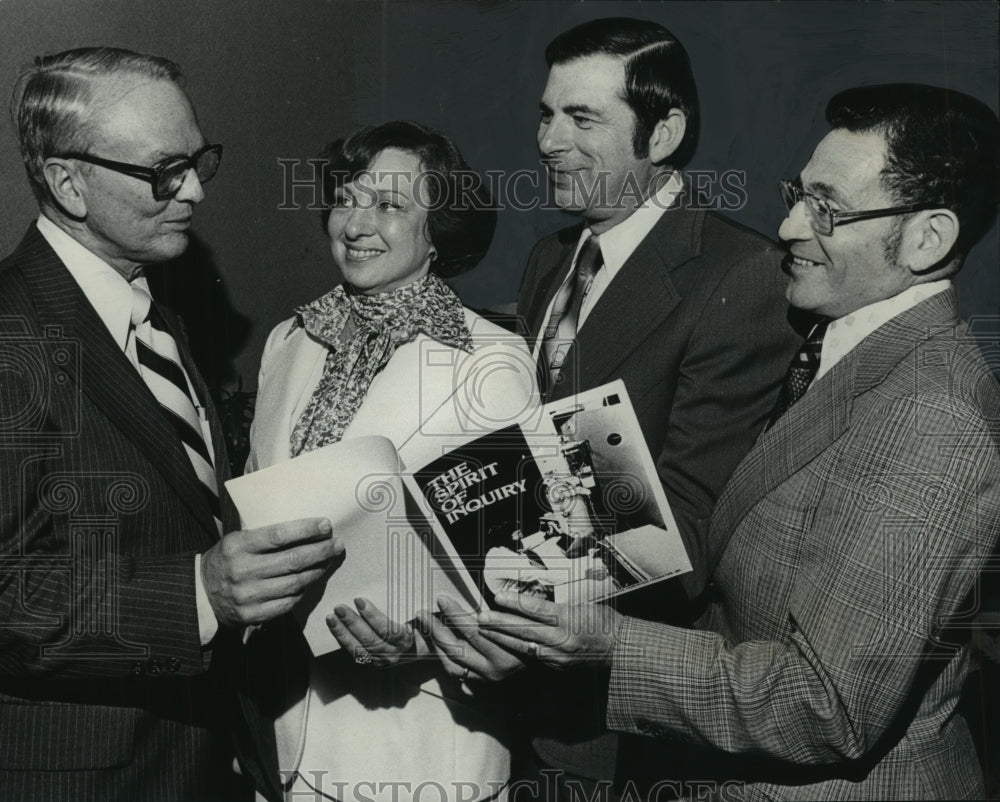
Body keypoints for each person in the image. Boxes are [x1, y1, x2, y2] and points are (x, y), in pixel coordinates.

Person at [475, 83, 1000, 799]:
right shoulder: (838, 348)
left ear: (928, 239)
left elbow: (827, 707)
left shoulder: (932, 414)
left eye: (827, 209)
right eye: (798, 195)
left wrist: (610, 644)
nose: (787, 227)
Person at [423, 16, 802, 796]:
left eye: (582, 118)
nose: (548, 141)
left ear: (664, 134)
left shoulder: (742, 273)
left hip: (615, 721)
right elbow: (531, 454)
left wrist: (508, 603)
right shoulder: (551, 258)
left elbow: (686, 529)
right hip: (514, 690)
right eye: (545, 114)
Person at [0, 47, 341, 801]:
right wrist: (196, 595)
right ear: (68, 183)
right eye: (163, 172)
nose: (194, 191)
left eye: (197, 161)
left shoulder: (155, 312)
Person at [244, 120, 537, 802]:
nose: (356, 224)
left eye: (390, 205)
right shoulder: (289, 340)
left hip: (417, 739)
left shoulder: (490, 361)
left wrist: (418, 642)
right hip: (281, 730)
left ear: (439, 232)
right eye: (347, 198)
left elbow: (517, 570)